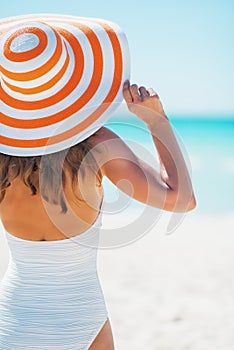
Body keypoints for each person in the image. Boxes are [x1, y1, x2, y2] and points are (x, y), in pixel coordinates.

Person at [0, 15, 196, 350]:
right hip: (81, 320)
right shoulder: (95, 144)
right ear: (69, 82)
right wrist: (157, 121)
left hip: (10, 320)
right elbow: (181, 199)